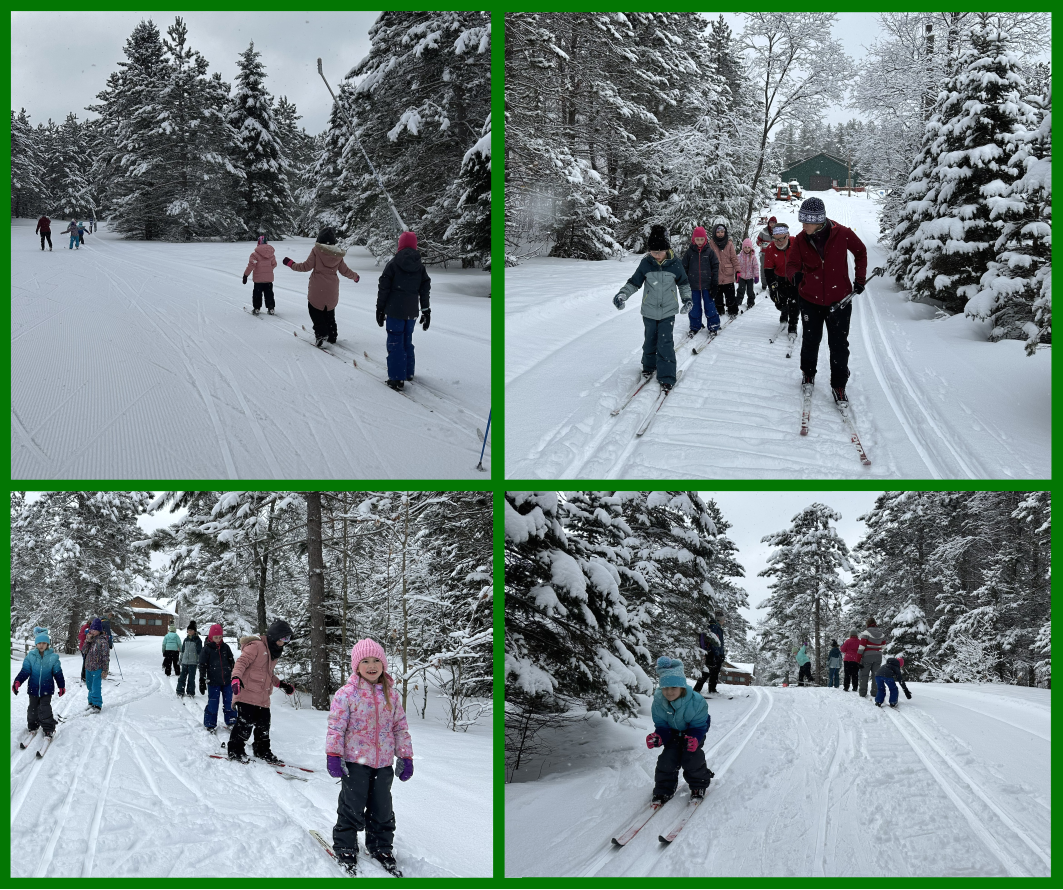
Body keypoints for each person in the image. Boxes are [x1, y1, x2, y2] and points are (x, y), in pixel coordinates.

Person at [326, 638, 414, 876]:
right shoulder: (347, 694)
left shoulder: (392, 696)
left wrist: (405, 757)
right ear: (357, 666)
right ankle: (345, 846)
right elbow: (336, 727)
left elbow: (400, 728)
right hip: (355, 762)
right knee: (351, 806)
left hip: (384, 763)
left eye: (376, 660)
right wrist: (334, 754)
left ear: (383, 664)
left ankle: (381, 846)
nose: (372, 665)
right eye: (366, 661)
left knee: (382, 808)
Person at [784, 196, 868, 404]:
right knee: (811, 340)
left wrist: (860, 279)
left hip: (839, 301)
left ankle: (839, 385)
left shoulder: (842, 234)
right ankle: (808, 373)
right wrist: (794, 275)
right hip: (809, 300)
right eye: (802, 221)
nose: (803, 225)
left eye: (807, 221)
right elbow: (791, 264)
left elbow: (861, 252)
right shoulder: (801, 239)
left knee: (838, 344)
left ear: (819, 221)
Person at [612, 224, 692, 393]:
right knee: (649, 340)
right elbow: (634, 283)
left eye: (659, 252)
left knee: (665, 343)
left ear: (666, 249)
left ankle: (667, 376)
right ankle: (648, 366)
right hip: (649, 311)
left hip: (668, 311)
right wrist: (622, 295)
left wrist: (687, 300)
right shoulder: (646, 264)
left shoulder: (675, 264)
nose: (656, 255)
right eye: (653, 252)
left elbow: (684, 284)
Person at [646, 656, 713, 805]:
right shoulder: (658, 703)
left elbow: (700, 725)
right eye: (665, 688)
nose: (669, 692)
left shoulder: (696, 701)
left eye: (673, 687)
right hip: (673, 733)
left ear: (682, 687)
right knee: (667, 760)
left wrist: (695, 738)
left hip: (694, 731)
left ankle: (698, 785)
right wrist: (659, 737)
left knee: (691, 757)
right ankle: (663, 790)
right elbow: (662, 726)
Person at [227, 619, 295, 764]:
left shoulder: (273, 651)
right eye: (284, 638)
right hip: (246, 693)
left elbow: (268, 673)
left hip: (263, 696)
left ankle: (262, 750)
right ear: (275, 636)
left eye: (288, 639)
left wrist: (281, 684)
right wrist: (236, 678)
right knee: (244, 725)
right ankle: (235, 750)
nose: (285, 642)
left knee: (263, 726)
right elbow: (241, 662)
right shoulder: (257, 646)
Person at [283, 226, 360, 348]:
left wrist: (291, 264)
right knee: (329, 312)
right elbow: (345, 271)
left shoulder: (316, 250)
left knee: (315, 310)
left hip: (317, 287)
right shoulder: (337, 254)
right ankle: (332, 335)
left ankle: (321, 335)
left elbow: (305, 266)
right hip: (332, 288)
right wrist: (355, 277)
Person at [376, 231, 431, 392]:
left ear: (399, 244)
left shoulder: (393, 264)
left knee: (395, 342)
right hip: (411, 312)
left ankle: (397, 378)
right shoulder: (419, 266)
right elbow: (425, 289)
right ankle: (408, 372)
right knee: (407, 340)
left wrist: (380, 309)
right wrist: (426, 310)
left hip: (395, 311)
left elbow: (384, 288)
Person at [12, 627, 66, 737]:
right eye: (39, 643)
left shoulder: (53, 658)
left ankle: (48, 728)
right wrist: (17, 682)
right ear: (36, 644)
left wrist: (61, 686)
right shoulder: (30, 657)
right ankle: (33, 725)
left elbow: (58, 673)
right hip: (33, 688)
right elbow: (25, 671)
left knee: (44, 708)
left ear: (47, 644)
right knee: (32, 708)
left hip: (47, 688)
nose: (41, 645)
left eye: (44, 643)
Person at [763, 222, 800, 343]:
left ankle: (793, 325)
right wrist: (772, 288)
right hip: (779, 278)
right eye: (775, 239)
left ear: (788, 235)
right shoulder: (770, 248)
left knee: (795, 303)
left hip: (794, 278)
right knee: (781, 302)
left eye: (782, 238)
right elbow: (768, 271)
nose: (778, 242)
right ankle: (784, 314)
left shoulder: (796, 243)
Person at [198, 624, 237, 733]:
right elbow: (202, 665)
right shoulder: (206, 649)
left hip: (227, 680)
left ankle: (232, 720)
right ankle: (210, 723)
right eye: (216, 637)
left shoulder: (225, 647)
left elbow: (231, 660)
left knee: (229, 701)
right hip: (213, 681)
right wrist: (202, 679)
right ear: (211, 636)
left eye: (220, 637)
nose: (218, 640)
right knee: (213, 703)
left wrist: (233, 669)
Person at [681, 226, 720, 334]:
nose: (699, 242)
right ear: (693, 239)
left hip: (708, 285)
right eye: (697, 239)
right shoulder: (689, 253)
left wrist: (714, 282)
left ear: (705, 239)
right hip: (693, 286)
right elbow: (683, 267)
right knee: (694, 308)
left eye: (701, 239)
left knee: (710, 306)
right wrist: (684, 282)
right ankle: (694, 326)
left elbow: (715, 266)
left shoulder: (710, 252)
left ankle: (713, 326)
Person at [707, 222, 739, 318]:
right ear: (714, 233)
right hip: (716, 275)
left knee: (730, 296)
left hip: (728, 275)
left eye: (722, 232)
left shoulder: (729, 244)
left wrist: (738, 270)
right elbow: (708, 259)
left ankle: (732, 310)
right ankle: (719, 309)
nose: (720, 234)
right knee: (718, 296)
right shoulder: (711, 244)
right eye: (718, 232)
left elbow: (734, 258)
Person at [243, 235, 278, 315]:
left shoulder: (255, 254)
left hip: (258, 279)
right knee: (269, 294)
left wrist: (245, 275)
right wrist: (268, 269)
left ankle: (256, 308)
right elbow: (274, 264)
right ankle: (271, 308)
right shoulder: (271, 254)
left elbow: (251, 265)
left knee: (257, 294)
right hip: (269, 279)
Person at [693, 613, 725, 695]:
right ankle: (696, 689)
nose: (724, 621)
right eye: (723, 619)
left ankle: (712, 690)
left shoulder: (717, 627)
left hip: (717, 654)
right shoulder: (713, 627)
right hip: (712, 654)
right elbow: (713, 642)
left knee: (715, 673)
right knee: (706, 672)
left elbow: (719, 644)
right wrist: (716, 654)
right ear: (719, 620)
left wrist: (722, 654)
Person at [82, 618, 110, 711]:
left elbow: (106, 656)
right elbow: (84, 651)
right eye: (91, 629)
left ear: (99, 630)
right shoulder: (90, 639)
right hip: (88, 667)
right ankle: (90, 702)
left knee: (95, 687)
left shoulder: (102, 641)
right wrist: (87, 641)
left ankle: (97, 704)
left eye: (94, 630)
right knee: (89, 686)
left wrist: (105, 670)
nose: (92, 632)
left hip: (98, 668)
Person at [857, 617, 888, 698]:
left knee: (864, 675)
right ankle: (874, 692)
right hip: (878, 656)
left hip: (867, 656)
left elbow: (861, 647)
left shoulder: (866, 633)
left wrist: (858, 659)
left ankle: (863, 692)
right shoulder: (882, 633)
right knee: (876, 675)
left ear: (867, 624)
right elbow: (884, 646)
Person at [176, 621, 202, 699]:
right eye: (189, 630)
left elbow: (199, 653)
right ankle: (180, 691)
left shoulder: (198, 640)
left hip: (193, 663)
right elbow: (183, 651)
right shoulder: (185, 640)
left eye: (191, 630)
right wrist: (181, 659)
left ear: (195, 631)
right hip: (184, 662)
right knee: (182, 677)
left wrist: (199, 662)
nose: (190, 631)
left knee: (191, 678)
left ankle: (190, 692)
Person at [735, 238, 760, 310]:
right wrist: (736, 274)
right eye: (745, 247)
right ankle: (738, 301)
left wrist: (756, 276)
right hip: (742, 277)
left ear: (751, 248)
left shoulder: (753, 257)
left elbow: (756, 267)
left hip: (750, 277)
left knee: (750, 291)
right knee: (740, 290)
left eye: (748, 247)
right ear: (743, 248)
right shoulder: (739, 256)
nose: (747, 249)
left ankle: (751, 302)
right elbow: (736, 265)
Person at [754, 216, 776, 289]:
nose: (772, 224)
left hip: (774, 254)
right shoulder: (763, 231)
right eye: (770, 222)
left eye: (773, 223)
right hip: (764, 254)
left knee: (773, 269)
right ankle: (764, 284)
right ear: (768, 223)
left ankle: (772, 284)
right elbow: (757, 240)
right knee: (763, 269)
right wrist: (760, 243)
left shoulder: (778, 232)